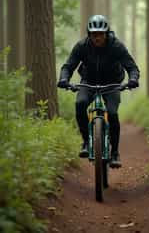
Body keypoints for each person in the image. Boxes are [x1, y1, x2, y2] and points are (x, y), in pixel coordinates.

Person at [57, 15, 140, 168]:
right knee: (80, 103)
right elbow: (68, 66)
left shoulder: (116, 46)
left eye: (100, 34)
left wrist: (133, 79)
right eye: (94, 34)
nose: (97, 38)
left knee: (112, 113)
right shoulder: (82, 46)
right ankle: (86, 142)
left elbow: (132, 67)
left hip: (112, 83)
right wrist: (64, 79)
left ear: (106, 33)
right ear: (89, 35)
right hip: (88, 82)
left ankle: (115, 153)